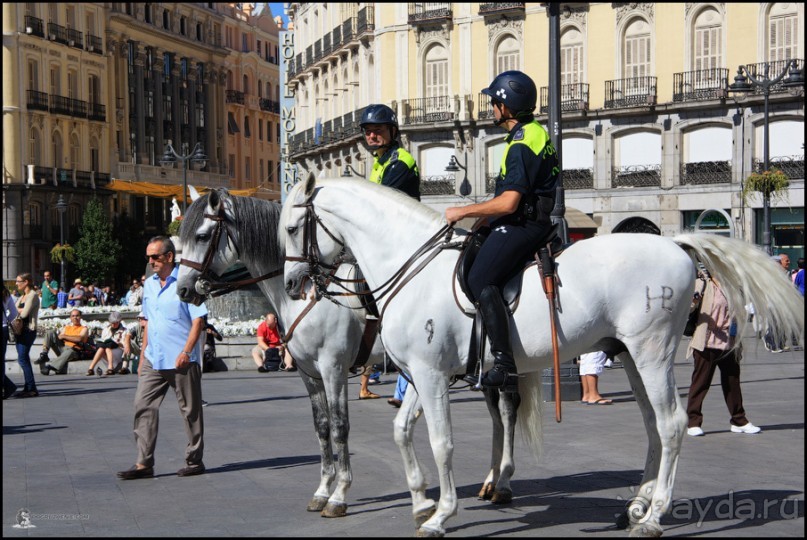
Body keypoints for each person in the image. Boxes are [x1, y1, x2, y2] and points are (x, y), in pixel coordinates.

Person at [445, 70, 559, 391]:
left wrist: (463, 211)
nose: (492, 106)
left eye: (495, 101)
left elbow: (509, 203)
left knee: (481, 277)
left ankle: (505, 364)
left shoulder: (521, 143)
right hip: (525, 220)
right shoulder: (532, 134)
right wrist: (483, 219)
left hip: (526, 225)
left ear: (508, 107)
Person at [117, 235, 208, 480]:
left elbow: (199, 320)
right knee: (142, 406)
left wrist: (187, 352)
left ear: (169, 257)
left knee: (190, 410)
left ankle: (194, 460)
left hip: (181, 358)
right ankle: (143, 463)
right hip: (153, 357)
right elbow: (147, 321)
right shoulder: (148, 284)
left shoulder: (188, 281)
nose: (150, 261)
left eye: (154, 257)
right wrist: (143, 355)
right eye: (148, 257)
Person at [359, 103, 421, 399]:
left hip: (402, 243)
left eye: (378, 131)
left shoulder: (400, 161)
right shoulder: (380, 163)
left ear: (392, 131)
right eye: (369, 132)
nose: (372, 136)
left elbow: (381, 206)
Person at [685, 270, 760, 436]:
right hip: (706, 341)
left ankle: (739, 420)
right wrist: (693, 301)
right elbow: (688, 309)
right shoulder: (703, 284)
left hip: (729, 341)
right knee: (701, 382)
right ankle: (693, 422)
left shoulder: (733, 287)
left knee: (732, 382)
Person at [13, 273, 41, 397]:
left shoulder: (32, 295)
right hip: (20, 330)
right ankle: (28, 387)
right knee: (23, 358)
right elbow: (14, 310)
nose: (16, 283)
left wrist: (18, 311)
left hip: (28, 330)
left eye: (18, 281)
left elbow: (24, 314)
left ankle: (31, 388)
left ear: (26, 282)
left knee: (22, 359)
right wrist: (18, 311)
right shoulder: (23, 296)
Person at [39, 308, 89, 375]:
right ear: (70, 318)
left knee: (69, 351)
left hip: (74, 351)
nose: (75, 318)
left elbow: (79, 339)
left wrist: (65, 336)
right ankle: (44, 353)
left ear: (80, 317)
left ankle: (50, 367)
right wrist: (65, 337)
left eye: (77, 316)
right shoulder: (67, 327)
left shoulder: (84, 328)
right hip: (63, 348)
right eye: (73, 316)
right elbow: (59, 337)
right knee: (50, 332)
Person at [86, 311, 127, 376]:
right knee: (102, 348)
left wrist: (117, 342)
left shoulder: (124, 330)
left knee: (107, 347)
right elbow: (103, 340)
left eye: (115, 323)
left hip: (118, 350)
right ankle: (91, 368)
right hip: (107, 350)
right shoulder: (106, 329)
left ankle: (110, 367)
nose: (113, 324)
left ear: (119, 321)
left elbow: (125, 345)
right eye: (112, 323)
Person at [3, 285, 21, 399]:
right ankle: (8, 386)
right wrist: (6, 320)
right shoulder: (6, 294)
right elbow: (14, 312)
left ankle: (8, 386)